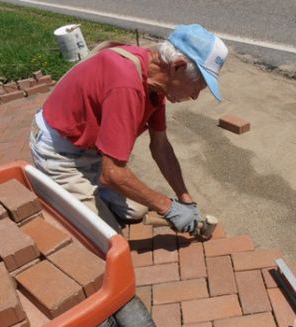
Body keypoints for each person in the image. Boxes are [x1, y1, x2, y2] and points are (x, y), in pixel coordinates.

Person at [29, 24, 228, 234]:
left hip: (92, 150)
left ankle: (89, 194)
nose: (195, 96)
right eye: (196, 87)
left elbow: (160, 147)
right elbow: (112, 173)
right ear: (177, 67)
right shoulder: (126, 86)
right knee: (108, 241)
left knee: (136, 211)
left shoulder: (156, 82)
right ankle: (63, 196)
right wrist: (168, 207)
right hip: (61, 152)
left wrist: (185, 200)